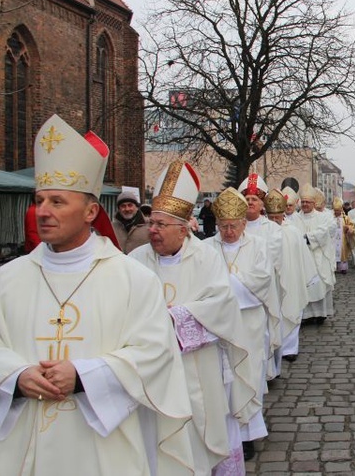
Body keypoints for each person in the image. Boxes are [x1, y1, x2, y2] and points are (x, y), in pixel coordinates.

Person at [0, 114, 193, 475]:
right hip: (20, 445)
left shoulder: (133, 278)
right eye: (38, 200)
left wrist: (84, 375)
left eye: (57, 202)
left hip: (104, 447)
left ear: (90, 211)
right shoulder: (7, 279)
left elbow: (155, 353)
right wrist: (14, 376)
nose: (42, 212)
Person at [130, 161, 256, 474]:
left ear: (183, 228)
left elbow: (222, 306)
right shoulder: (133, 261)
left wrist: (176, 317)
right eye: (152, 223)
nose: (153, 231)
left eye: (161, 225)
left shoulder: (206, 258)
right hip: (151, 371)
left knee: (199, 439)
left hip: (197, 368)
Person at [204, 187, 278, 462]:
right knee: (222, 380)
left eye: (234, 226)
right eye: (223, 226)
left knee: (248, 376)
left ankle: (247, 435)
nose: (229, 232)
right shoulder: (206, 248)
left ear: (244, 224)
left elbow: (262, 279)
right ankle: (225, 434)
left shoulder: (257, 245)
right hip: (218, 327)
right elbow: (201, 283)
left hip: (248, 323)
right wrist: (225, 287)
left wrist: (224, 285)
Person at [238, 173, 283, 379]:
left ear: (261, 203)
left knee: (265, 330)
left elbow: (273, 257)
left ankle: (267, 372)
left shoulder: (271, 228)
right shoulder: (236, 227)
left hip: (264, 287)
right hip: (240, 289)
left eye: (254, 199)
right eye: (246, 199)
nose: (250, 203)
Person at [264, 189, 316, 362]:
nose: (273, 222)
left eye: (276, 218)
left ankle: (290, 348)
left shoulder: (292, 231)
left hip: (291, 278)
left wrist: (306, 278)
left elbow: (303, 255)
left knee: (292, 310)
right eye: (270, 218)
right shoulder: (261, 233)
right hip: (269, 282)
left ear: (282, 216)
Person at [298, 183, 336, 324]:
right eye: (303, 202)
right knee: (304, 285)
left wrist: (307, 237)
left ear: (314, 203)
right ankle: (306, 316)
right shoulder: (295, 218)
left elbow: (325, 232)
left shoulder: (322, 217)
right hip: (302, 259)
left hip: (319, 257)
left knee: (319, 284)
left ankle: (320, 314)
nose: (305, 204)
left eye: (308, 202)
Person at [332, 197, 355, 274]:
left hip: (343, 238)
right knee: (333, 252)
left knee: (343, 252)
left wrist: (348, 228)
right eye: (335, 210)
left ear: (341, 209)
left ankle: (343, 269)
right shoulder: (330, 217)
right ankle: (334, 268)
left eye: (338, 210)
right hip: (333, 239)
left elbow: (351, 226)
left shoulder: (345, 218)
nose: (336, 212)